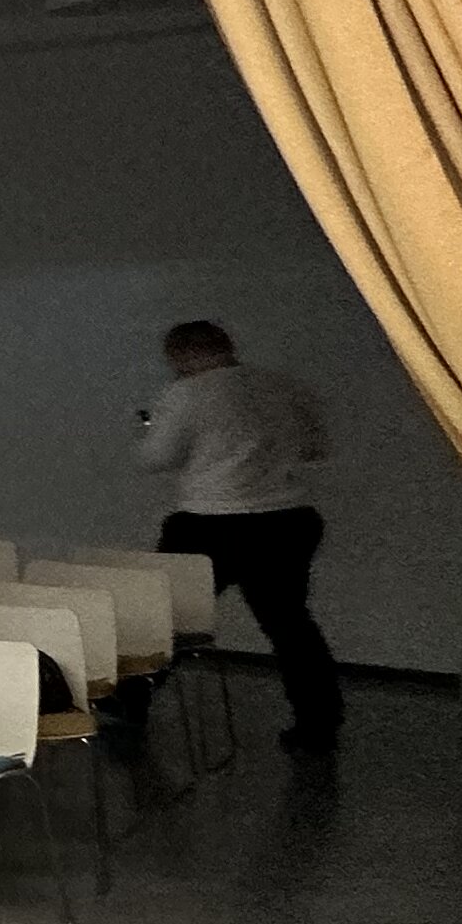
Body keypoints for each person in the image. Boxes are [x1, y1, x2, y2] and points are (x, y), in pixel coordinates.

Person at [136, 318, 338, 753]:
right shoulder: (284, 386)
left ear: (179, 355)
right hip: (288, 518)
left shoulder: (187, 394)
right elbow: (315, 448)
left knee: (164, 619)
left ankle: (129, 708)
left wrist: (150, 427)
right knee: (289, 625)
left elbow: (157, 458)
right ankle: (319, 722)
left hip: (210, 520)